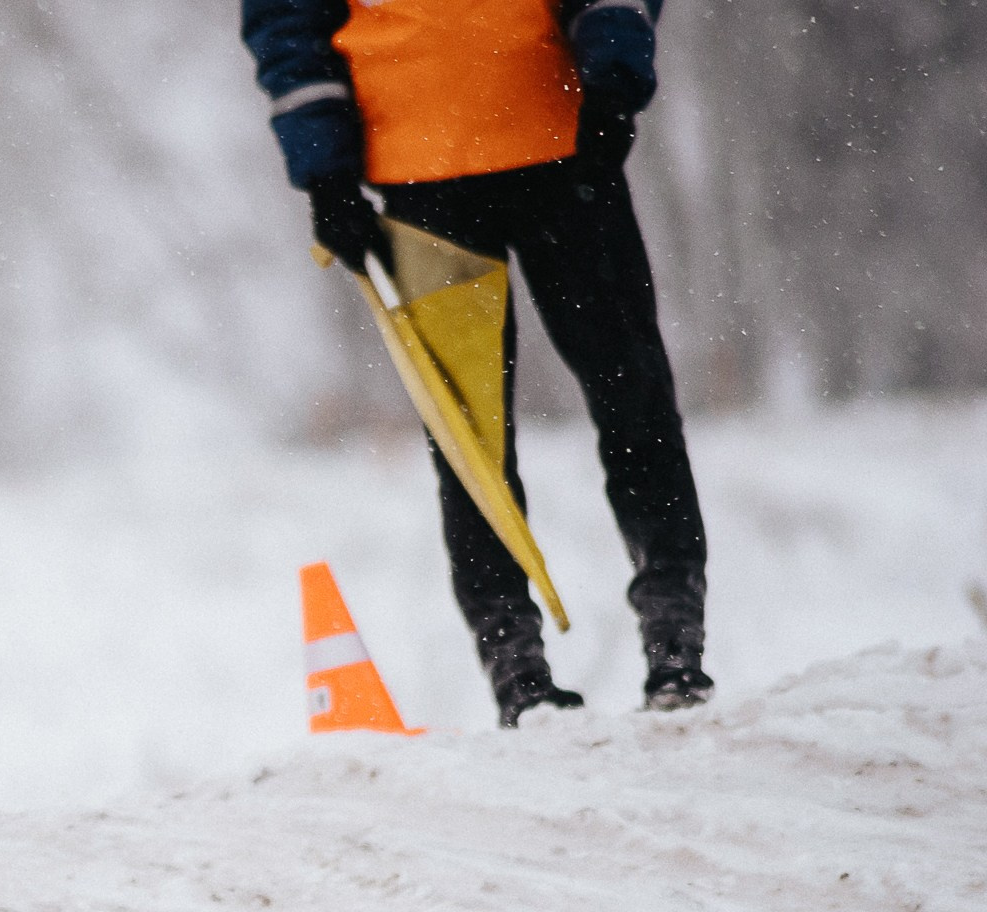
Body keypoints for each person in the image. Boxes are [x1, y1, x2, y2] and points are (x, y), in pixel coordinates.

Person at [241, 0, 713, 726]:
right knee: (486, 440)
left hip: (550, 150)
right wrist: (325, 171)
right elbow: (287, 19)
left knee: (609, 406)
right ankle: (520, 671)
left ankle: (671, 640)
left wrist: (614, 79)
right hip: (434, 174)